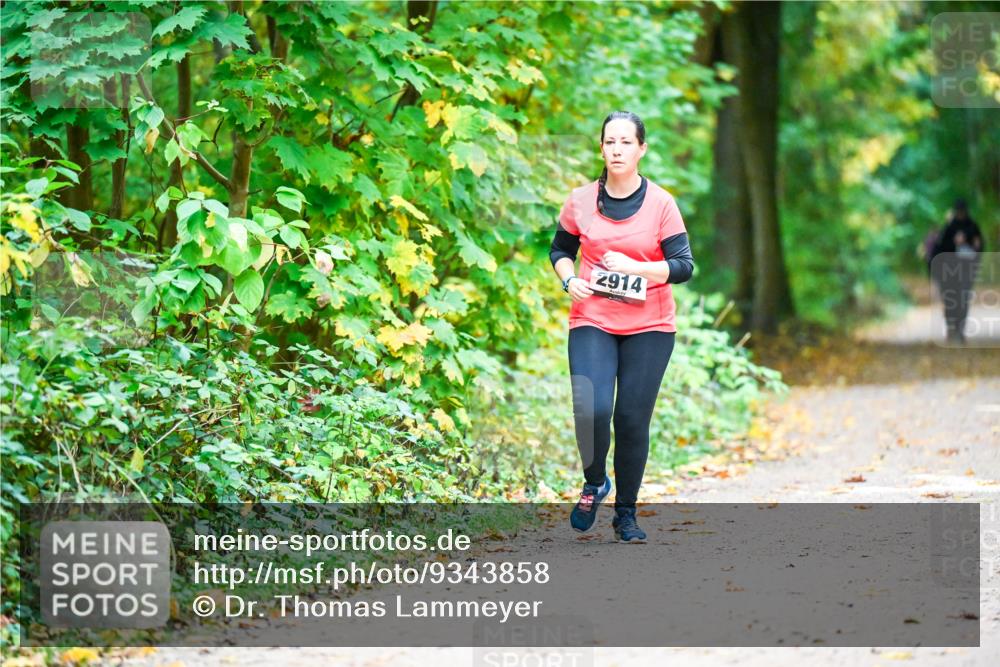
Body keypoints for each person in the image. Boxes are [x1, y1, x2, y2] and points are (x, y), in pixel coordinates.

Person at [549, 111, 694, 543]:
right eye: (609, 142)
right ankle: (594, 482)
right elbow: (559, 249)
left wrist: (637, 267)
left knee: (631, 419)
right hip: (593, 316)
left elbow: (683, 267)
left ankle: (626, 514)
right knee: (590, 406)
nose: (617, 149)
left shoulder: (661, 204)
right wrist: (568, 278)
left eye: (626, 142)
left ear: (641, 149)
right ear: (601, 148)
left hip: (650, 324)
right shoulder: (579, 200)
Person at [929, 198, 984, 344]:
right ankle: (951, 328)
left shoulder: (972, 227)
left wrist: (974, 245)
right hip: (949, 271)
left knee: (963, 300)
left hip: (966, 270)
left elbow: (980, 247)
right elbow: (939, 249)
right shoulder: (948, 228)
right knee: (950, 300)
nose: (960, 214)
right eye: (958, 212)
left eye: (962, 212)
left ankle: (960, 330)